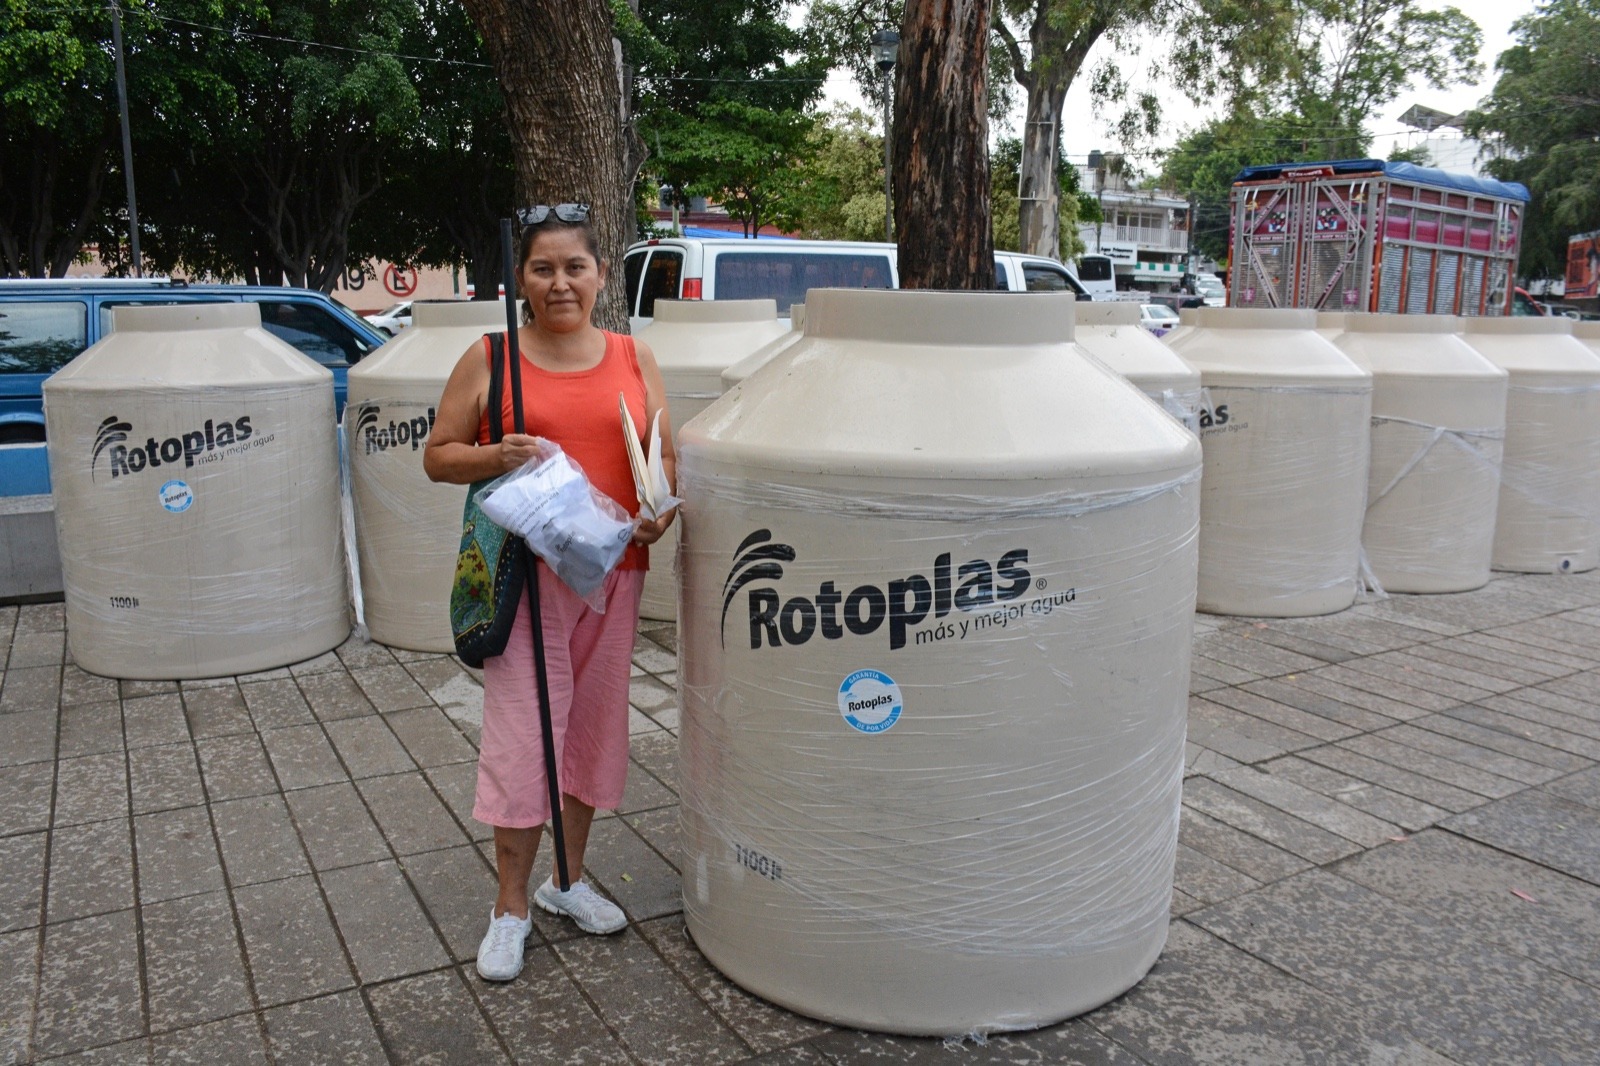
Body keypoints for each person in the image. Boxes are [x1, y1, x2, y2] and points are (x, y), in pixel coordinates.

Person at [422, 204, 676, 982]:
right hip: (528, 581)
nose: (560, 282)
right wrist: (495, 455)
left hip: (615, 575)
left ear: (601, 275)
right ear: (521, 279)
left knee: (592, 734)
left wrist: (659, 512)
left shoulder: (634, 355)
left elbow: (661, 457)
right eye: (542, 268)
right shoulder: (491, 356)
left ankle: (566, 882)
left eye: (575, 267)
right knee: (525, 739)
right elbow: (438, 456)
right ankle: (510, 908)